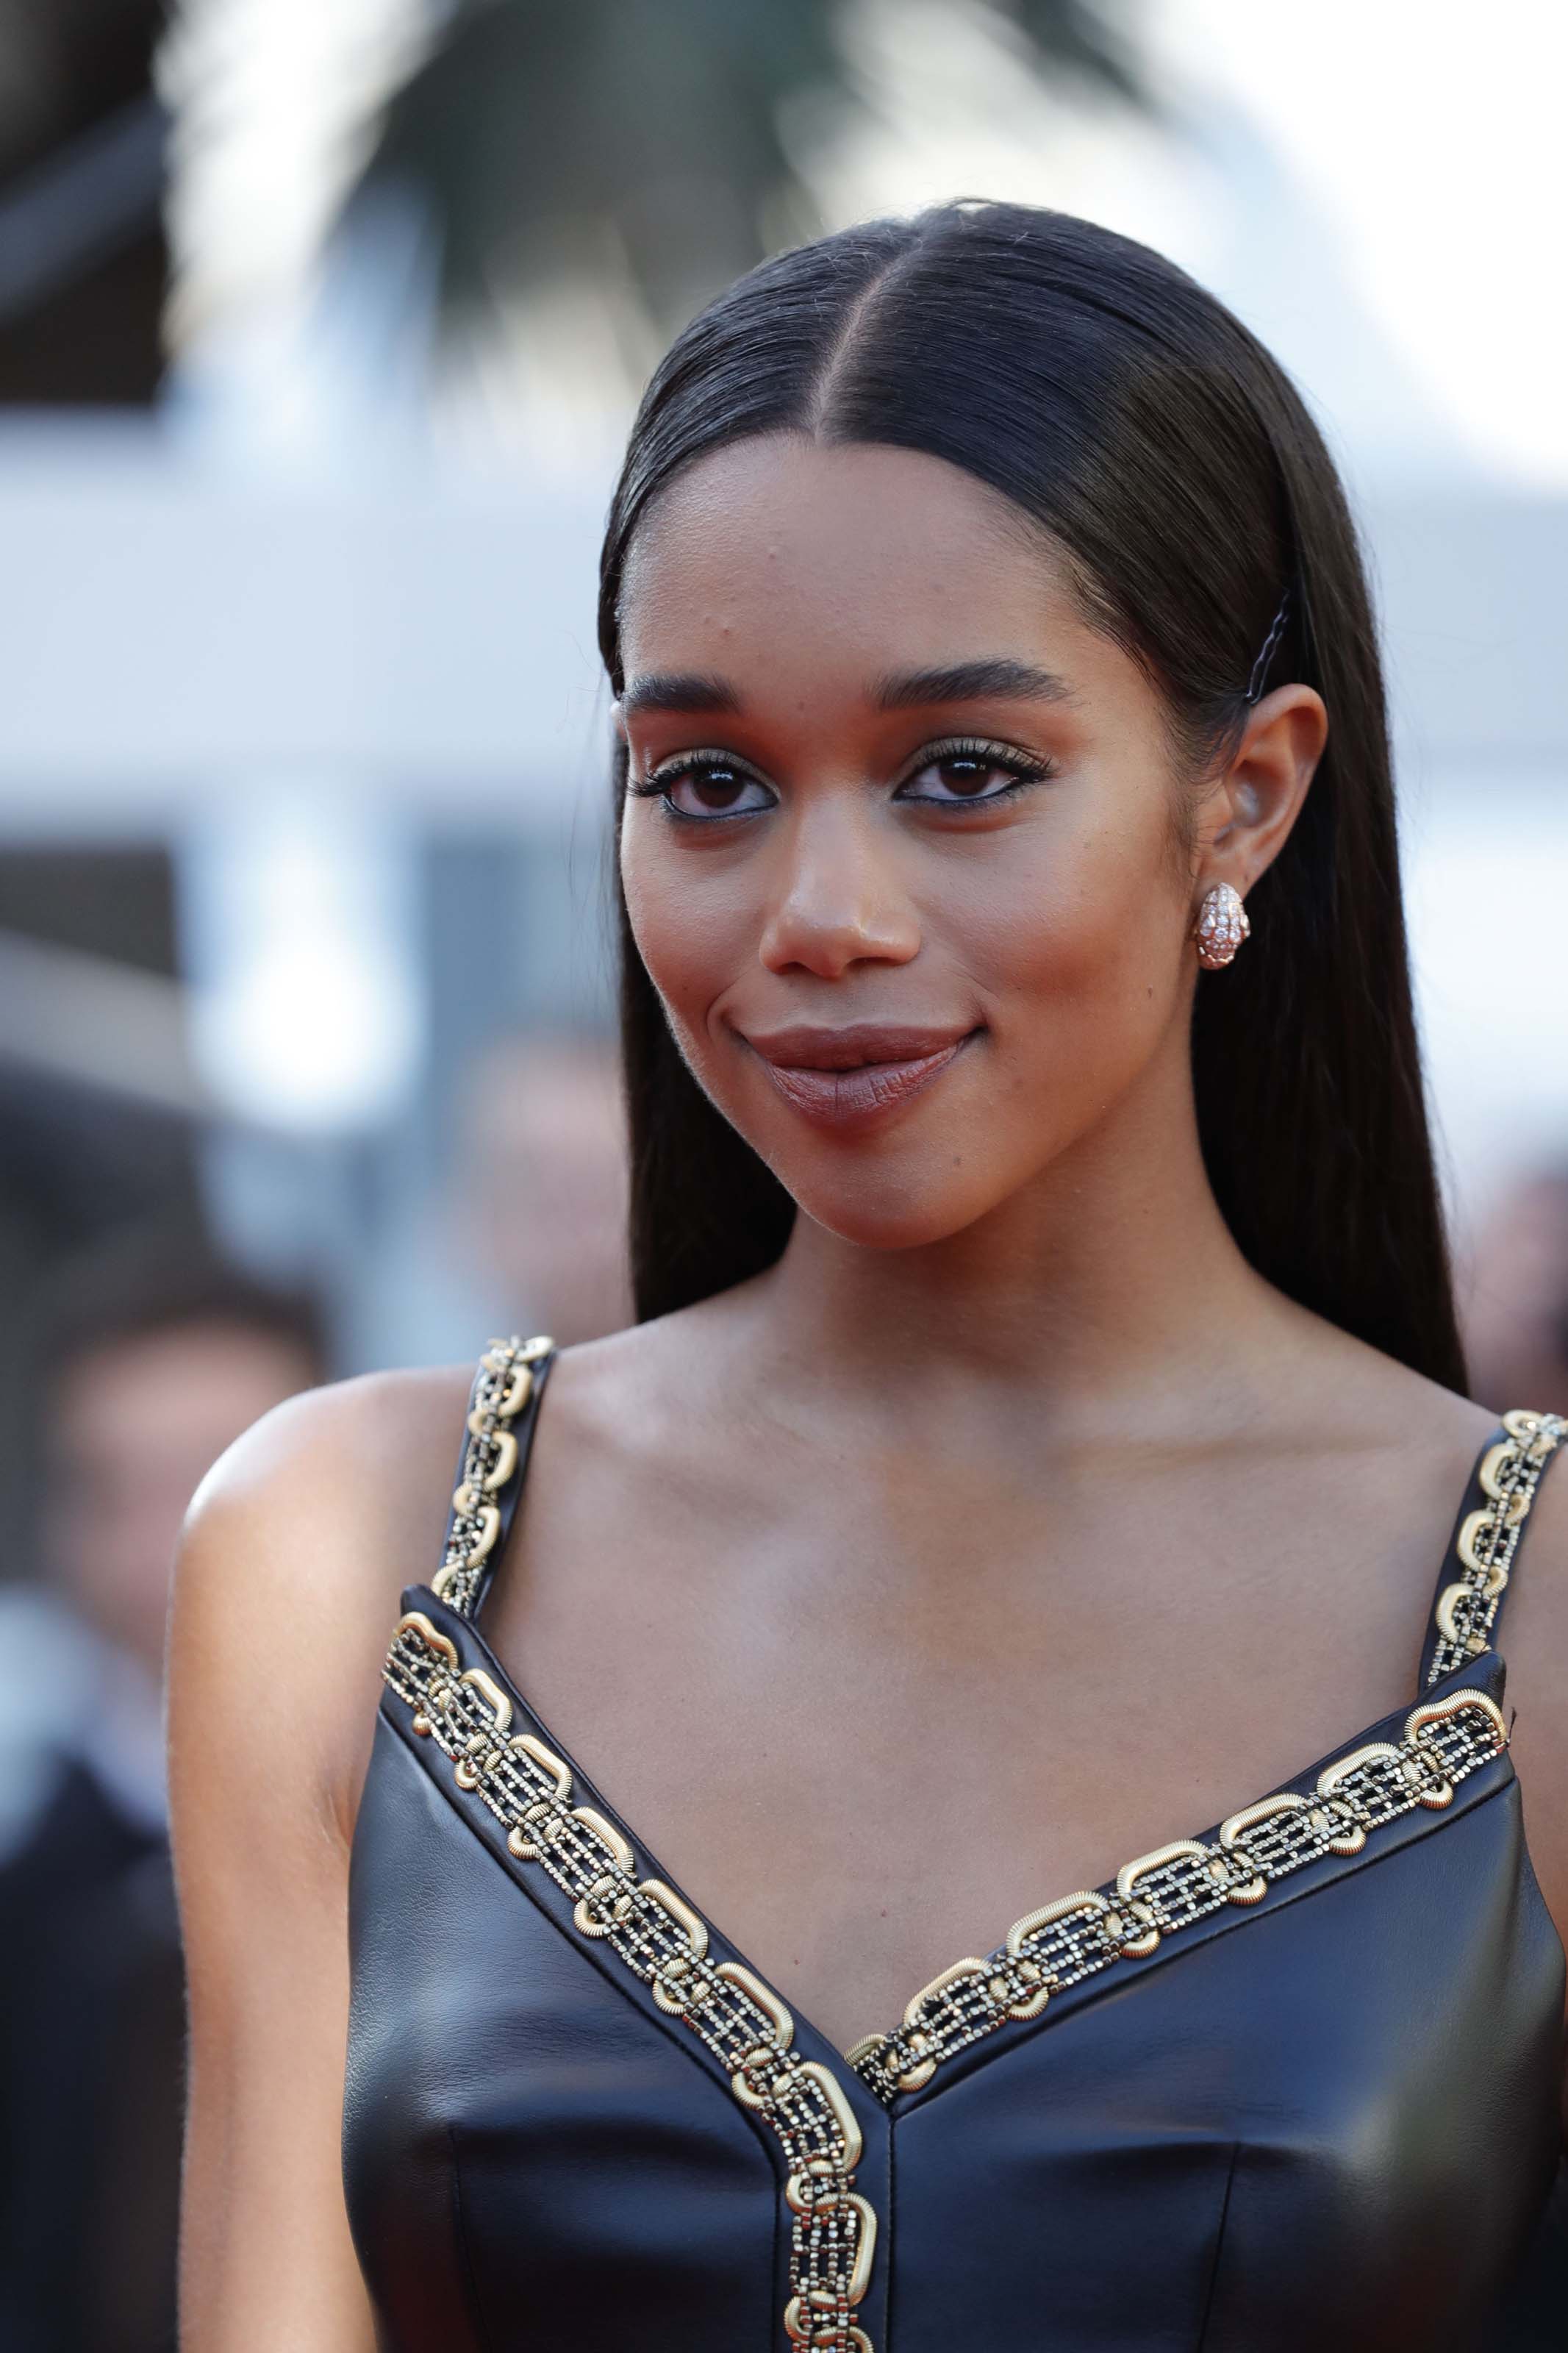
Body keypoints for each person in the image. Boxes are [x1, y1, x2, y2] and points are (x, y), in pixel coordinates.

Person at [170, 203, 1568, 2353]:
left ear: (1244, 797)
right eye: (707, 783)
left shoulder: (1539, 1602)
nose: (817, 912)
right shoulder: (341, 1551)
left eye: (962, 774)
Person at [0, 1235, 323, 2353]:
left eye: (215, 1480)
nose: (162, 1554)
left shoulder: (485, 1873)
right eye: (112, 1492)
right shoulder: (32, 1900)